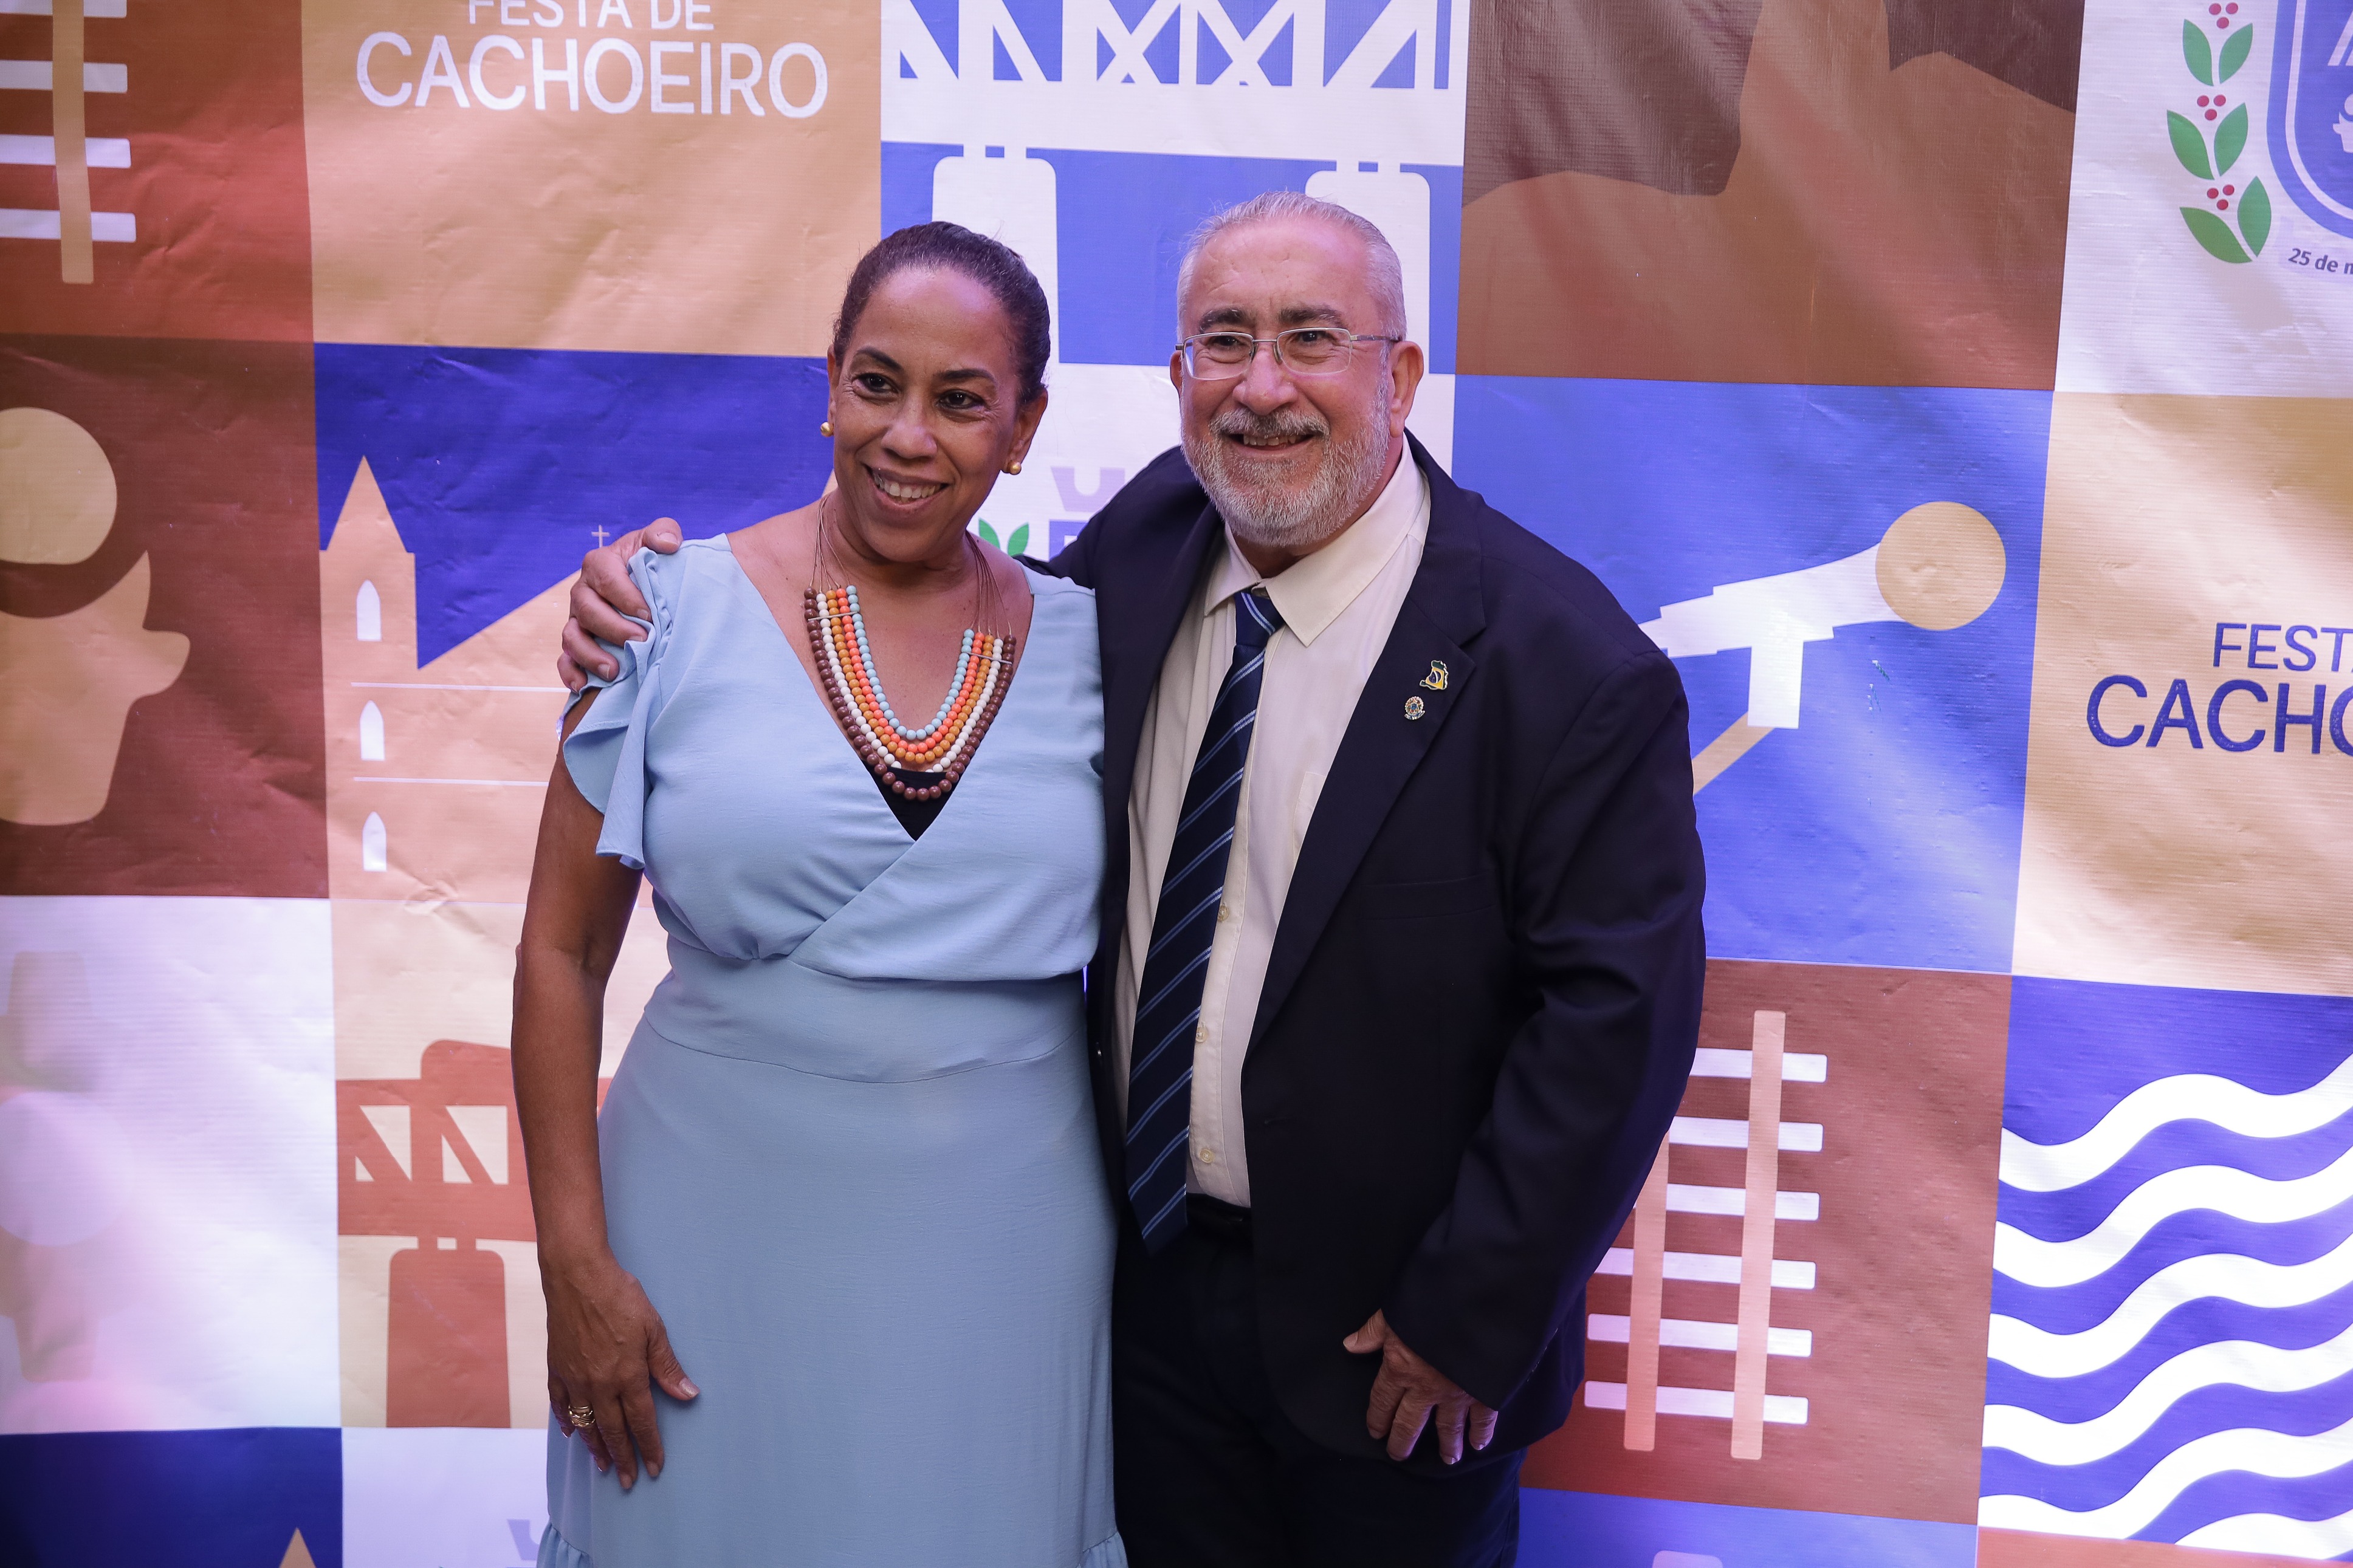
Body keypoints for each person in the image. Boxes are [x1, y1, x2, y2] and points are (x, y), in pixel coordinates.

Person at [562, 192, 1707, 1567]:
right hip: (1135, 1303)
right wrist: (652, 602)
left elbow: (1618, 1023)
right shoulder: (1150, 546)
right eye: (1223, 341)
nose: (1261, 386)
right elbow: (940, 642)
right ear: (1176, 375)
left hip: (1393, 1344)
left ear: (1400, 374)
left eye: (1310, 338)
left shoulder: (1563, 662)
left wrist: (1472, 1315)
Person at [513, 222, 1124, 1568]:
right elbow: (560, 952)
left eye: (960, 400)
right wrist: (573, 1263)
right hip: (698, 1233)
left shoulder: (1105, 639)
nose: (907, 435)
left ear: (1024, 428)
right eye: (876, 383)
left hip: (1006, 1252)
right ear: (828, 385)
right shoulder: (659, 613)